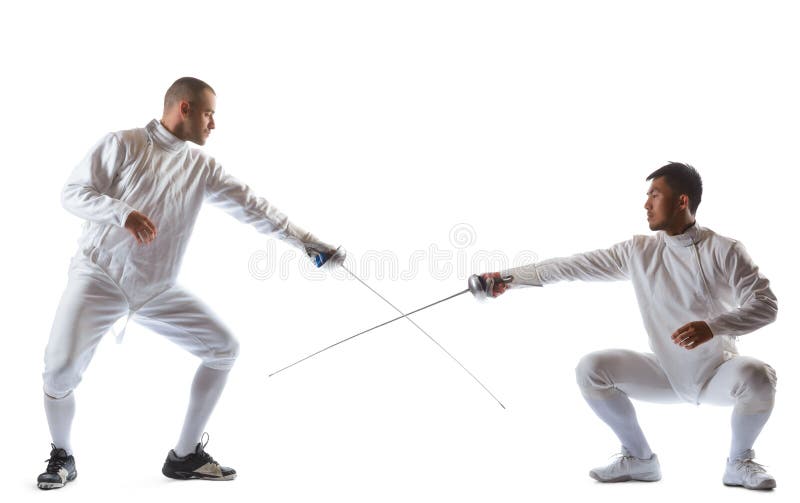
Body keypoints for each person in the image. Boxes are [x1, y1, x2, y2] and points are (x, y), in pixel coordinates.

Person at [38, 77, 344, 489]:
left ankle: (184, 457)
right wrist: (122, 213)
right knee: (58, 373)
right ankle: (63, 455)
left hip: (155, 288)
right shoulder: (123, 144)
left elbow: (253, 206)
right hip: (99, 276)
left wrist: (306, 242)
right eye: (208, 114)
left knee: (224, 348)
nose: (213, 124)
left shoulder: (201, 167)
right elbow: (72, 193)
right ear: (184, 108)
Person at [480, 163, 778, 490]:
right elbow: (569, 267)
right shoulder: (638, 251)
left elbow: (766, 306)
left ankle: (739, 463)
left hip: (718, 374)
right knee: (592, 368)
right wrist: (507, 279)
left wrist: (713, 327)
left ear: (682, 201)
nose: (646, 204)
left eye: (655, 194)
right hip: (665, 372)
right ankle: (639, 459)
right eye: (646, 195)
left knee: (758, 376)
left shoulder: (726, 250)